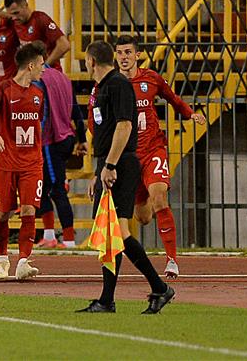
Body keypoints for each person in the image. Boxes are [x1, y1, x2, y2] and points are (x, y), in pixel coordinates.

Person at [78, 41, 174, 314]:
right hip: (109, 164)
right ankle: (116, 297)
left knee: (117, 232)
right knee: (113, 233)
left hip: (120, 164)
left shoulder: (117, 85)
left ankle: (154, 289)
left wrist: (109, 165)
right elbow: (104, 131)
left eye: (86, 60)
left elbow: (124, 125)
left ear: (92, 60)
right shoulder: (101, 87)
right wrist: (99, 170)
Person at [114, 35, 206, 278]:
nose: (124, 57)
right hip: (130, 156)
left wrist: (190, 114)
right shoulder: (110, 84)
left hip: (154, 148)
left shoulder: (151, 78)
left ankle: (172, 260)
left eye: (128, 52)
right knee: (143, 217)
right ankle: (148, 205)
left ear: (138, 55)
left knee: (160, 198)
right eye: (120, 53)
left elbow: (172, 98)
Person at [0, 42, 47, 281]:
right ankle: (2, 259)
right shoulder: (2, 89)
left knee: (29, 209)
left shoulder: (39, 94)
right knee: (2, 214)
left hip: (32, 163)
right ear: (30, 65)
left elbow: (38, 125)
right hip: (6, 163)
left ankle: (23, 261)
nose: (43, 69)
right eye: (41, 65)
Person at [34, 65, 88, 249]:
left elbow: (43, 113)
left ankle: (68, 240)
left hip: (51, 139)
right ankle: (50, 236)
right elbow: (76, 111)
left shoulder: (40, 79)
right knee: (45, 188)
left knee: (55, 190)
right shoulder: (63, 77)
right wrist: (82, 138)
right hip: (67, 138)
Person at [4, 0, 70, 72]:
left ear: (25, 5)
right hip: (31, 75)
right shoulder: (15, 21)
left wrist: (44, 67)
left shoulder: (40, 19)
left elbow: (64, 45)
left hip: (49, 74)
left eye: (16, 13)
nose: (14, 17)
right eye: (11, 15)